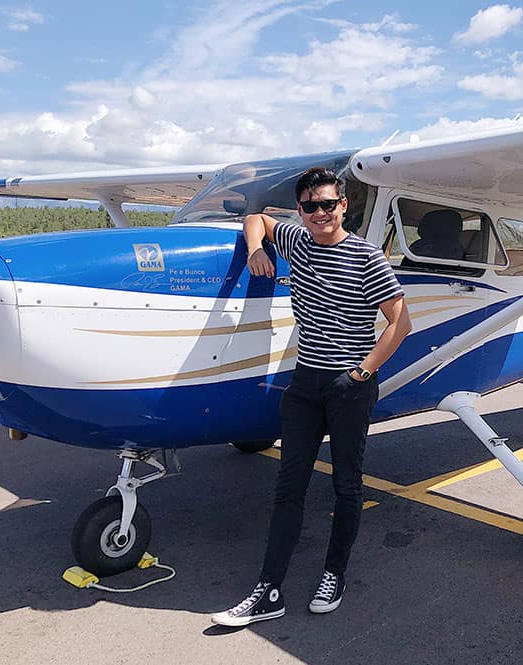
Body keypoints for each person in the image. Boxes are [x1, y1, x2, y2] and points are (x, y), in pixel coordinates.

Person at [211, 167, 411, 627]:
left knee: (346, 484)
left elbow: (401, 324)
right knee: (289, 486)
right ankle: (269, 589)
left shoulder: (366, 257)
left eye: (327, 204)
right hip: (304, 384)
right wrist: (258, 249)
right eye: (309, 207)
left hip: (349, 386)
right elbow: (256, 218)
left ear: (343, 206)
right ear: (300, 212)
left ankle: (333, 574)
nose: (319, 213)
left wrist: (362, 372)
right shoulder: (297, 243)